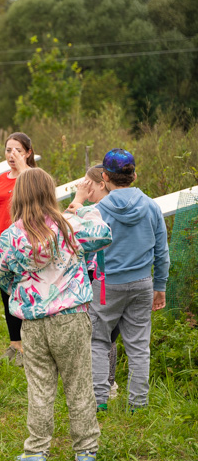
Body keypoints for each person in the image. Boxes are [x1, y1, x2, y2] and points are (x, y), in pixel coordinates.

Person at [0, 168, 111, 461]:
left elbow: (1, 276)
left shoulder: (11, 235)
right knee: (79, 383)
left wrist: (23, 291)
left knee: (40, 386)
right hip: (71, 317)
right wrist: (83, 207)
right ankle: (85, 449)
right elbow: (103, 234)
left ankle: (36, 450)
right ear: (51, 193)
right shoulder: (71, 226)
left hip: (32, 321)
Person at [86, 149, 169, 412]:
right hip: (143, 282)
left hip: (105, 285)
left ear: (104, 177)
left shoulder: (97, 211)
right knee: (139, 345)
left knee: (98, 340)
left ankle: (99, 401)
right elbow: (162, 250)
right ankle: (138, 404)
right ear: (134, 174)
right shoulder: (152, 206)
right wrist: (160, 286)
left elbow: (85, 250)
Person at [67, 164, 119, 398]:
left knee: (96, 332)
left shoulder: (95, 209)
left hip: (97, 276)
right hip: (117, 274)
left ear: (101, 184)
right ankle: (110, 381)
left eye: (88, 184)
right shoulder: (118, 205)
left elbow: (67, 223)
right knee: (110, 332)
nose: (85, 189)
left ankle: (100, 384)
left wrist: (79, 201)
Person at [0, 132, 37, 365]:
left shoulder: (32, 177)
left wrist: (23, 168)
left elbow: (39, 197)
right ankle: (14, 344)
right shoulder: (1, 178)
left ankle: (29, 346)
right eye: (9, 150)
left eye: (17, 150)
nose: (12, 155)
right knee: (6, 294)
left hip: (23, 243)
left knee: (23, 293)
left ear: (28, 152)